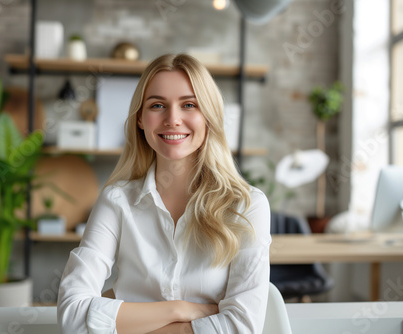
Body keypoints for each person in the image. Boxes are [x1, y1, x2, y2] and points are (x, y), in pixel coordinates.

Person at [57, 53, 271, 333]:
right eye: (157, 105)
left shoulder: (247, 205)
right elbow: (71, 316)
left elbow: (241, 326)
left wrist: (121, 323)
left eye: (189, 105)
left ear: (209, 116)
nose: (173, 119)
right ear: (141, 120)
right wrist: (180, 310)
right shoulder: (116, 201)